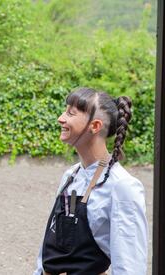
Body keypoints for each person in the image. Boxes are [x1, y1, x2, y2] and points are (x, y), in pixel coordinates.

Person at [33, 87, 148, 275]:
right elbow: (48, 249)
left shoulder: (122, 186)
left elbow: (130, 267)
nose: (61, 118)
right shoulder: (71, 176)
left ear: (95, 126)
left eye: (71, 113)